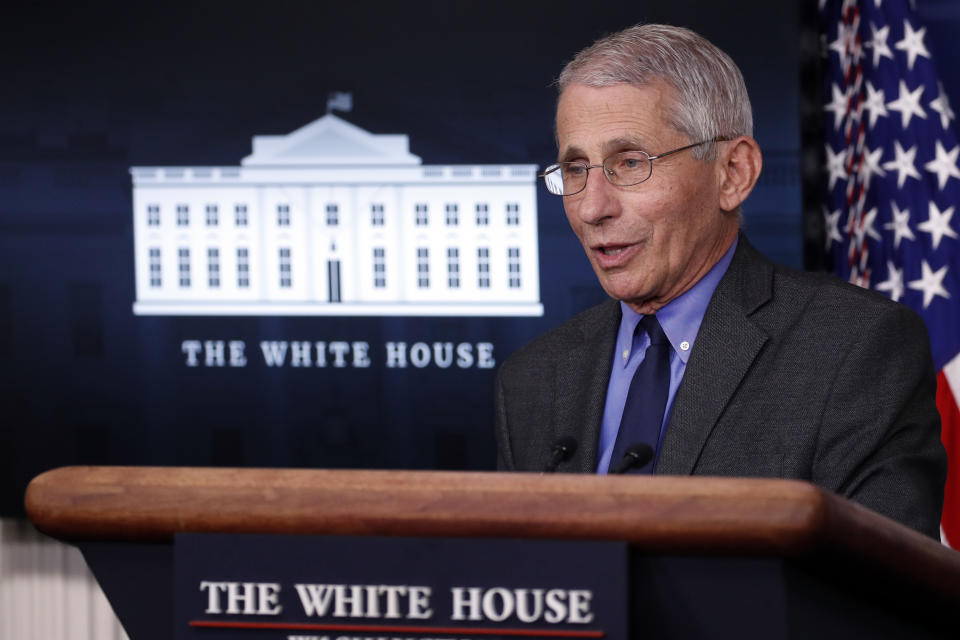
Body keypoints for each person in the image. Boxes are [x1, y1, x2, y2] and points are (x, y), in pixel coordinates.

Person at [493, 24, 947, 539]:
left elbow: (876, 598)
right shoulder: (532, 380)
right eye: (575, 169)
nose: (592, 208)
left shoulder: (853, 349)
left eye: (630, 163)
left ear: (733, 173)